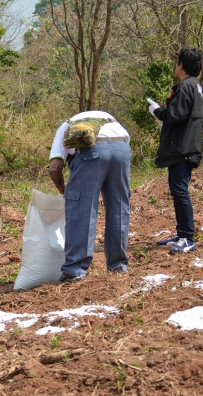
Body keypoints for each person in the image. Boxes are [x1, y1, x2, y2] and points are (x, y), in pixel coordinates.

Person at [49, 111, 131, 283]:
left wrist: (64, 191)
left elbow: (55, 168)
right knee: (119, 206)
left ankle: (75, 270)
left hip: (92, 151)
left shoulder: (65, 127)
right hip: (122, 147)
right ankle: (118, 266)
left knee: (81, 208)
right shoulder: (103, 118)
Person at [150, 46, 203, 253]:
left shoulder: (185, 86)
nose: (176, 66)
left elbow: (175, 115)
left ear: (182, 65)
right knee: (178, 189)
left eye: (177, 62)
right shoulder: (195, 86)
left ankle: (187, 238)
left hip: (183, 148)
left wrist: (157, 111)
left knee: (180, 191)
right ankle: (182, 234)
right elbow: (181, 115)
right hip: (186, 146)